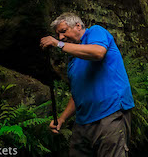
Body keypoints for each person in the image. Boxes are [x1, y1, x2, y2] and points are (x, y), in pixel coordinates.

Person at [39, 13, 135, 157]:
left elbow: (98, 52)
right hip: (83, 123)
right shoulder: (73, 60)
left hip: (110, 114)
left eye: (63, 31)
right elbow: (78, 93)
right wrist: (62, 119)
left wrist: (57, 44)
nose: (61, 37)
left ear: (78, 26)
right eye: (58, 35)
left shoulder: (96, 31)